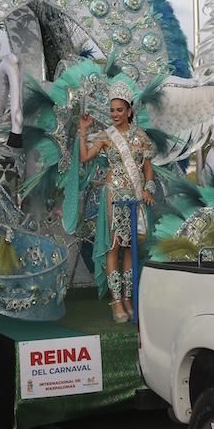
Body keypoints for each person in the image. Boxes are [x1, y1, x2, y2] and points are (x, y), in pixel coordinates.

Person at [78, 83, 155, 322]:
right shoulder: (105, 136)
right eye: (112, 110)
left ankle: (129, 299)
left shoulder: (141, 137)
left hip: (134, 196)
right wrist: (83, 132)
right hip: (113, 195)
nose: (115, 114)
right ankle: (117, 302)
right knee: (114, 247)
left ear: (130, 111)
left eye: (119, 110)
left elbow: (148, 169)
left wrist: (148, 189)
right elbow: (85, 158)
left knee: (130, 249)